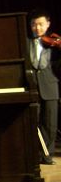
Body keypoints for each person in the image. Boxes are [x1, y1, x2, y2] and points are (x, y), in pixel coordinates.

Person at [28, 9, 60, 165]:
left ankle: (47, 155)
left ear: (48, 24)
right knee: (33, 122)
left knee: (50, 123)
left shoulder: (54, 43)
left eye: (41, 24)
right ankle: (34, 155)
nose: (37, 28)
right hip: (32, 86)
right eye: (34, 24)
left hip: (50, 86)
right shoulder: (26, 42)